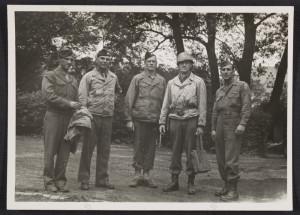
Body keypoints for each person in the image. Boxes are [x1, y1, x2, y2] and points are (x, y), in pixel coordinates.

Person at [159, 51, 207, 195]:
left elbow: (203, 104)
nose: (184, 65)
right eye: (181, 63)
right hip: (174, 118)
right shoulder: (171, 82)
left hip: (191, 117)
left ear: (191, 65)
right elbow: (166, 103)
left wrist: (201, 124)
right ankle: (174, 181)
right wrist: (162, 121)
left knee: (191, 150)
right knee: (175, 151)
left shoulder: (198, 82)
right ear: (178, 65)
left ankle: (191, 182)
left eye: (187, 62)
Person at [77, 48, 121, 190]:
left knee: (105, 150)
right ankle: (84, 179)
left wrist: (113, 100)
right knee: (88, 149)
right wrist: (84, 113)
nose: (105, 61)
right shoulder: (89, 76)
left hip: (107, 117)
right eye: (102, 58)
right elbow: (82, 96)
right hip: (92, 116)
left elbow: (118, 91)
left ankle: (102, 179)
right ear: (97, 59)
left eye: (108, 59)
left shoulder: (114, 77)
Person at [42, 47, 81, 192]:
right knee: (50, 150)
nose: (71, 62)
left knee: (65, 151)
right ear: (60, 59)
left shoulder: (73, 79)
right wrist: (68, 103)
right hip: (53, 116)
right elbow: (48, 96)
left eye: (72, 60)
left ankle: (60, 181)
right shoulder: (49, 75)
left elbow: (76, 98)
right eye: (68, 59)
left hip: (69, 118)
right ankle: (49, 181)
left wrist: (79, 109)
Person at [125, 52, 166, 188]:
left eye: (153, 61)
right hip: (139, 118)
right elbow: (129, 99)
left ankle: (147, 175)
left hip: (154, 119)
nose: (151, 64)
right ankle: (137, 174)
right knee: (138, 147)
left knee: (150, 148)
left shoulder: (161, 81)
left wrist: (162, 121)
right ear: (144, 63)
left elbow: (165, 102)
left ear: (156, 64)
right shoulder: (137, 78)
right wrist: (129, 119)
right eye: (148, 61)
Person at [211, 61, 251, 201]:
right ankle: (226, 186)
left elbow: (246, 107)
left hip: (234, 123)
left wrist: (242, 124)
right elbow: (215, 111)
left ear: (233, 71)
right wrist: (213, 128)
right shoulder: (219, 90)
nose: (226, 72)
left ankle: (233, 191)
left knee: (231, 158)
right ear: (221, 72)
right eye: (224, 70)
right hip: (220, 124)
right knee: (221, 158)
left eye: (228, 69)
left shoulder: (242, 86)